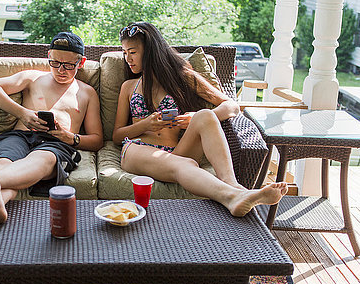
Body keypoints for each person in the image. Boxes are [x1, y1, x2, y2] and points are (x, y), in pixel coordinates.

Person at [113, 22, 287, 217]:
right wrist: (146, 124)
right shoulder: (129, 87)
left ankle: (233, 185)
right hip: (137, 150)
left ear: (150, 51)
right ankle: (232, 198)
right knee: (185, 165)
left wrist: (193, 118)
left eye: (132, 52)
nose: (127, 58)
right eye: (124, 52)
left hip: (177, 151)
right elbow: (117, 136)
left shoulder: (181, 77)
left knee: (205, 115)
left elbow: (231, 106)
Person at [0, 32, 104, 223]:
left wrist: (69, 137)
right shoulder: (33, 78)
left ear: (81, 63)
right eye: (55, 63)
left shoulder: (87, 93)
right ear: (49, 56)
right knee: (6, 159)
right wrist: (22, 113)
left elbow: (97, 139)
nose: (60, 70)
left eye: (68, 65)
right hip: (20, 135)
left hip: (56, 144)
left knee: (43, 159)